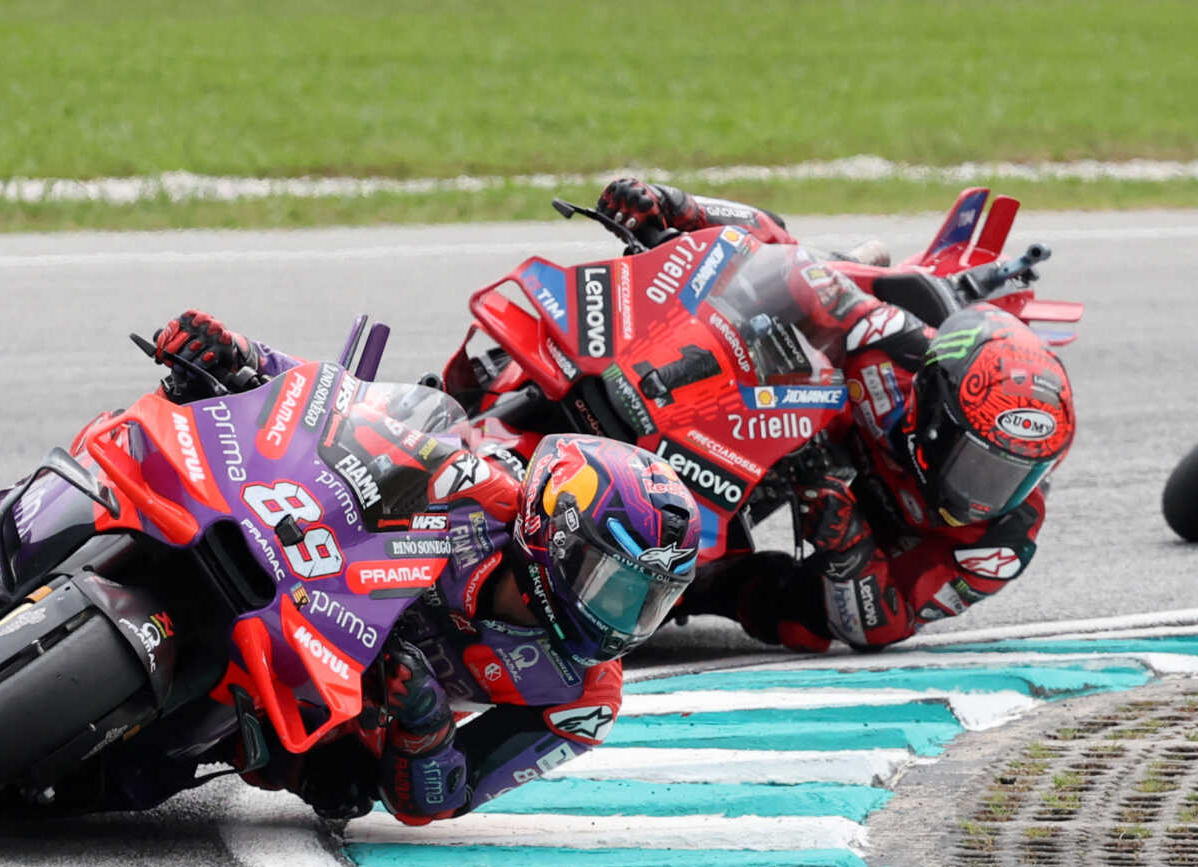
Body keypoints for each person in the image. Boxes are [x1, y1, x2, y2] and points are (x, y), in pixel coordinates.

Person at [146, 310, 700, 822]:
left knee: (346, 786)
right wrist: (244, 355)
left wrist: (426, 725)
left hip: (338, 702)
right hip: (302, 569)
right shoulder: (480, 489)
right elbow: (339, 408)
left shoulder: (583, 698)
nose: (622, 617)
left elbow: (441, 802)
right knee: (184, 443)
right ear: (554, 537)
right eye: (614, 585)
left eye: (649, 602)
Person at [582, 179, 1077, 652]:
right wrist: (679, 207)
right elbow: (785, 258)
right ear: (938, 418)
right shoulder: (893, 345)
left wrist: (850, 548)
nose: (992, 494)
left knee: (802, 620)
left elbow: (886, 625)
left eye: (1018, 474)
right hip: (789, 421)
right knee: (763, 298)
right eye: (983, 466)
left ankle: (705, 585)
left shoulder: (1001, 544)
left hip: (854, 532)